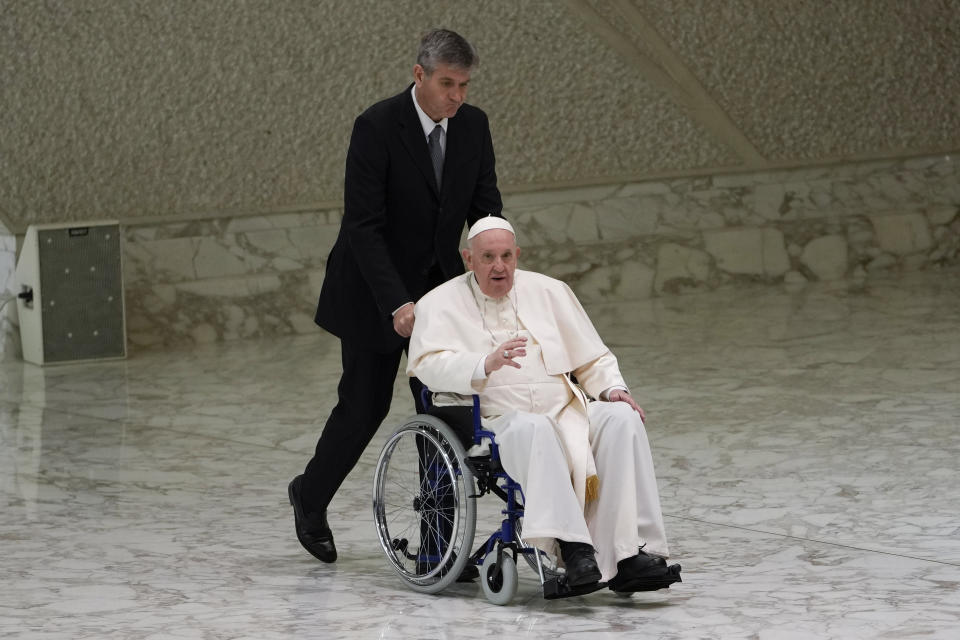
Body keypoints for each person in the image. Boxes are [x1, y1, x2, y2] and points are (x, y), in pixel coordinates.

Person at [288, 29, 503, 564]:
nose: (457, 96)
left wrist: (495, 260)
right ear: (420, 76)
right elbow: (364, 226)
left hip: (439, 286)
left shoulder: (473, 126)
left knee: (440, 402)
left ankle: (436, 546)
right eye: (447, 83)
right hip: (371, 288)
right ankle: (310, 497)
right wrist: (397, 303)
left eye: (465, 85)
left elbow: (484, 205)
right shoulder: (377, 126)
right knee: (365, 405)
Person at [406, 217, 682, 592]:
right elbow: (427, 366)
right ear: (469, 259)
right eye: (488, 257)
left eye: (506, 256)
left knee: (622, 419)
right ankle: (574, 548)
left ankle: (628, 553)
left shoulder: (551, 291)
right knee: (535, 429)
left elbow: (592, 356)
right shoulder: (438, 303)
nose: (499, 266)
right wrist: (483, 363)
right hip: (498, 417)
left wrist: (612, 388)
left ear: (517, 255)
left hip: (565, 407)